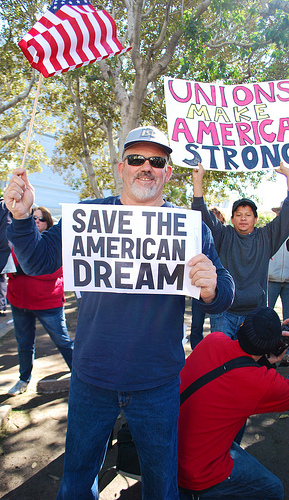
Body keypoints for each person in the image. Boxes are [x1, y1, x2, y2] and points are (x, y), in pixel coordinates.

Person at [4, 125, 234, 500]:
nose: (146, 167)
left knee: (161, 485)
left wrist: (212, 288)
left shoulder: (190, 228)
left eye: (156, 160)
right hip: (92, 378)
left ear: (168, 172)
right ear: (120, 166)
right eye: (136, 159)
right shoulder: (88, 217)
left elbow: (224, 290)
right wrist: (22, 217)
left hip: (157, 384)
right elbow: (39, 261)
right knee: (77, 482)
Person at [178, 306, 289, 500]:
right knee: (274, 489)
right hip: (198, 474)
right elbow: (248, 378)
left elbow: (234, 369)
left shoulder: (213, 340)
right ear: (272, 346)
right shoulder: (263, 383)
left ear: (243, 325)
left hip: (169, 450)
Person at [192, 162, 289, 339]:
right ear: (232, 218)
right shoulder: (223, 235)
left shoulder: (266, 237)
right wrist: (197, 180)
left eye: (248, 214)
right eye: (238, 214)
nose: (243, 218)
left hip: (255, 315)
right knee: (223, 364)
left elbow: (287, 216)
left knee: (249, 365)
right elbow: (201, 216)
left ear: (255, 218)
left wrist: (288, 176)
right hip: (223, 313)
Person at [7, 205, 74, 396]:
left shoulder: (56, 242)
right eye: (33, 218)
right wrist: (20, 270)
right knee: (24, 343)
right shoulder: (18, 241)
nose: (36, 222)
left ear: (48, 222)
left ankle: (80, 374)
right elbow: (9, 269)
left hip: (48, 303)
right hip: (19, 302)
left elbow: (54, 273)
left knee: (62, 340)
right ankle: (23, 379)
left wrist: (23, 269)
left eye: (41, 219)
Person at [190, 207, 226, 349]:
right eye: (212, 220)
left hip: (217, 286)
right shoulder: (199, 235)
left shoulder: (225, 237)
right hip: (198, 285)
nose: (215, 224)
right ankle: (196, 352)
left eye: (219, 222)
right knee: (197, 323)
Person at [268, 203, 289, 322]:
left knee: (288, 318)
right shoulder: (270, 232)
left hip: (288, 282)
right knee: (265, 315)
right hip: (271, 280)